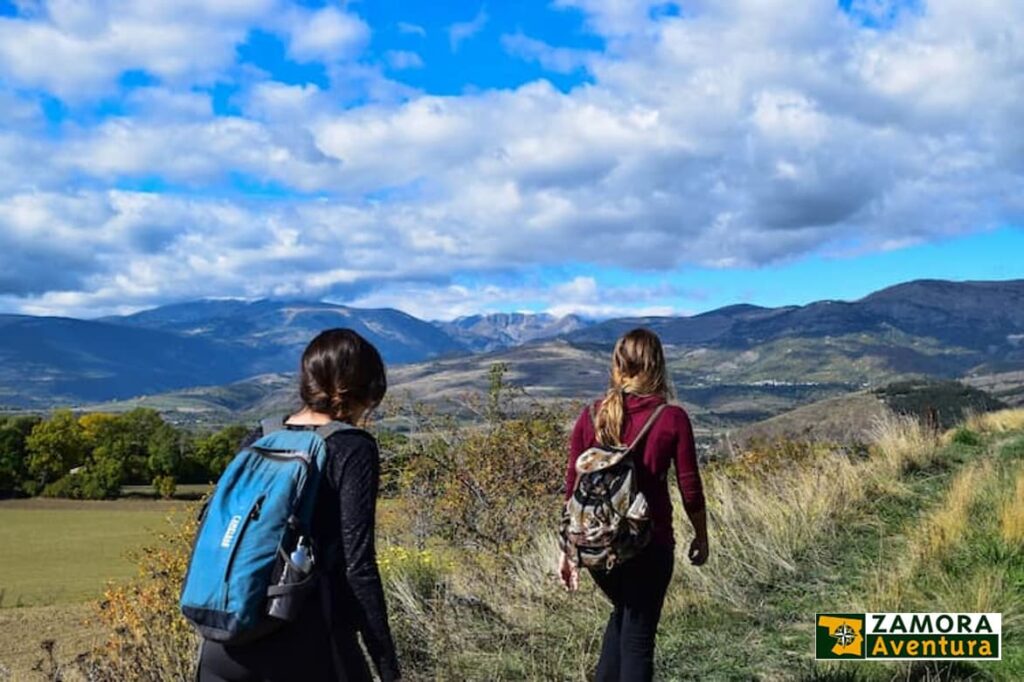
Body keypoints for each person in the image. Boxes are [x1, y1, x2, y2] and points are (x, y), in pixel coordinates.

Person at [198, 328, 401, 682]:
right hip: (307, 641)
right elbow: (359, 567)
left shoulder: (262, 436)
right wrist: (386, 664)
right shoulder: (353, 448)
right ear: (365, 389)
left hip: (224, 641)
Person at [559, 327, 708, 682]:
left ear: (617, 365)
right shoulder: (671, 418)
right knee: (638, 641)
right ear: (657, 365)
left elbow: (572, 485)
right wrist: (702, 536)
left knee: (624, 617)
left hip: (597, 546)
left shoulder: (591, 414)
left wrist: (566, 549)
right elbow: (690, 488)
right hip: (649, 544)